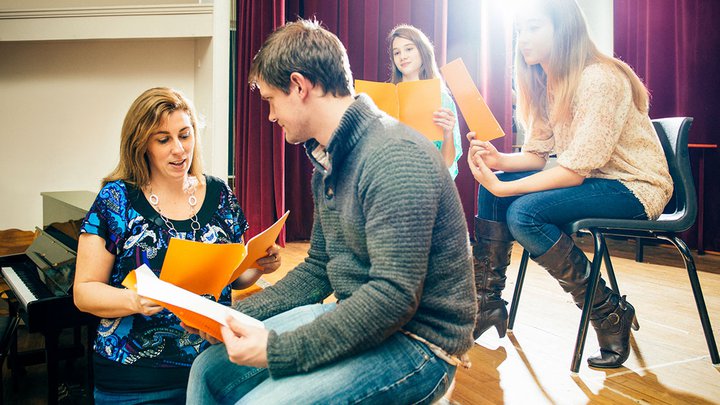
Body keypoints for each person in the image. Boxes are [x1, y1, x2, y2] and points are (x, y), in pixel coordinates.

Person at [186, 19, 476, 404]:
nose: (271, 116)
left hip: (421, 342)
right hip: (359, 311)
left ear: (299, 86)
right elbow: (320, 266)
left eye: (271, 100)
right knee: (207, 370)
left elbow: (393, 298)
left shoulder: (394, 156)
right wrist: (231, 316)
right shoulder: (327, 159)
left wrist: (276, 350)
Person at [467, 0, 672, 369]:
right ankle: (487, 302)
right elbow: (536, 155)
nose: (522, 39)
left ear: (563, 30)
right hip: (595, 181)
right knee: (495, 186)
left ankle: (608, 313)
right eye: (519, 31)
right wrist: (497, 163)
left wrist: (503, 188)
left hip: (635, 186)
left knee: (525, 212)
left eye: (533, 28)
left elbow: (575, 169)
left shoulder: (599, 77)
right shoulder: (549, 82)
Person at [73, 87, 282, 404]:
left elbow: (233, 277)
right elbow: (84, 291)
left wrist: (256, 264)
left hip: (215, 368)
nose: (179, 150)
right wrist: (135, 301)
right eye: (163, 139)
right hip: (136, 378)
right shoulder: (116, 199)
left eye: (185, 135)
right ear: (142, 143)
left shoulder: (219, 194)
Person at [389, 24, 463, 179]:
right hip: (391, 179)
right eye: (397, 52)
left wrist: (448, 133)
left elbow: (447, 162)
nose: (402, 56)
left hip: (428, 181)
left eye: (409, 49)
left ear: (422, 51)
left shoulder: (442, 98)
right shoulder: (386, 97)